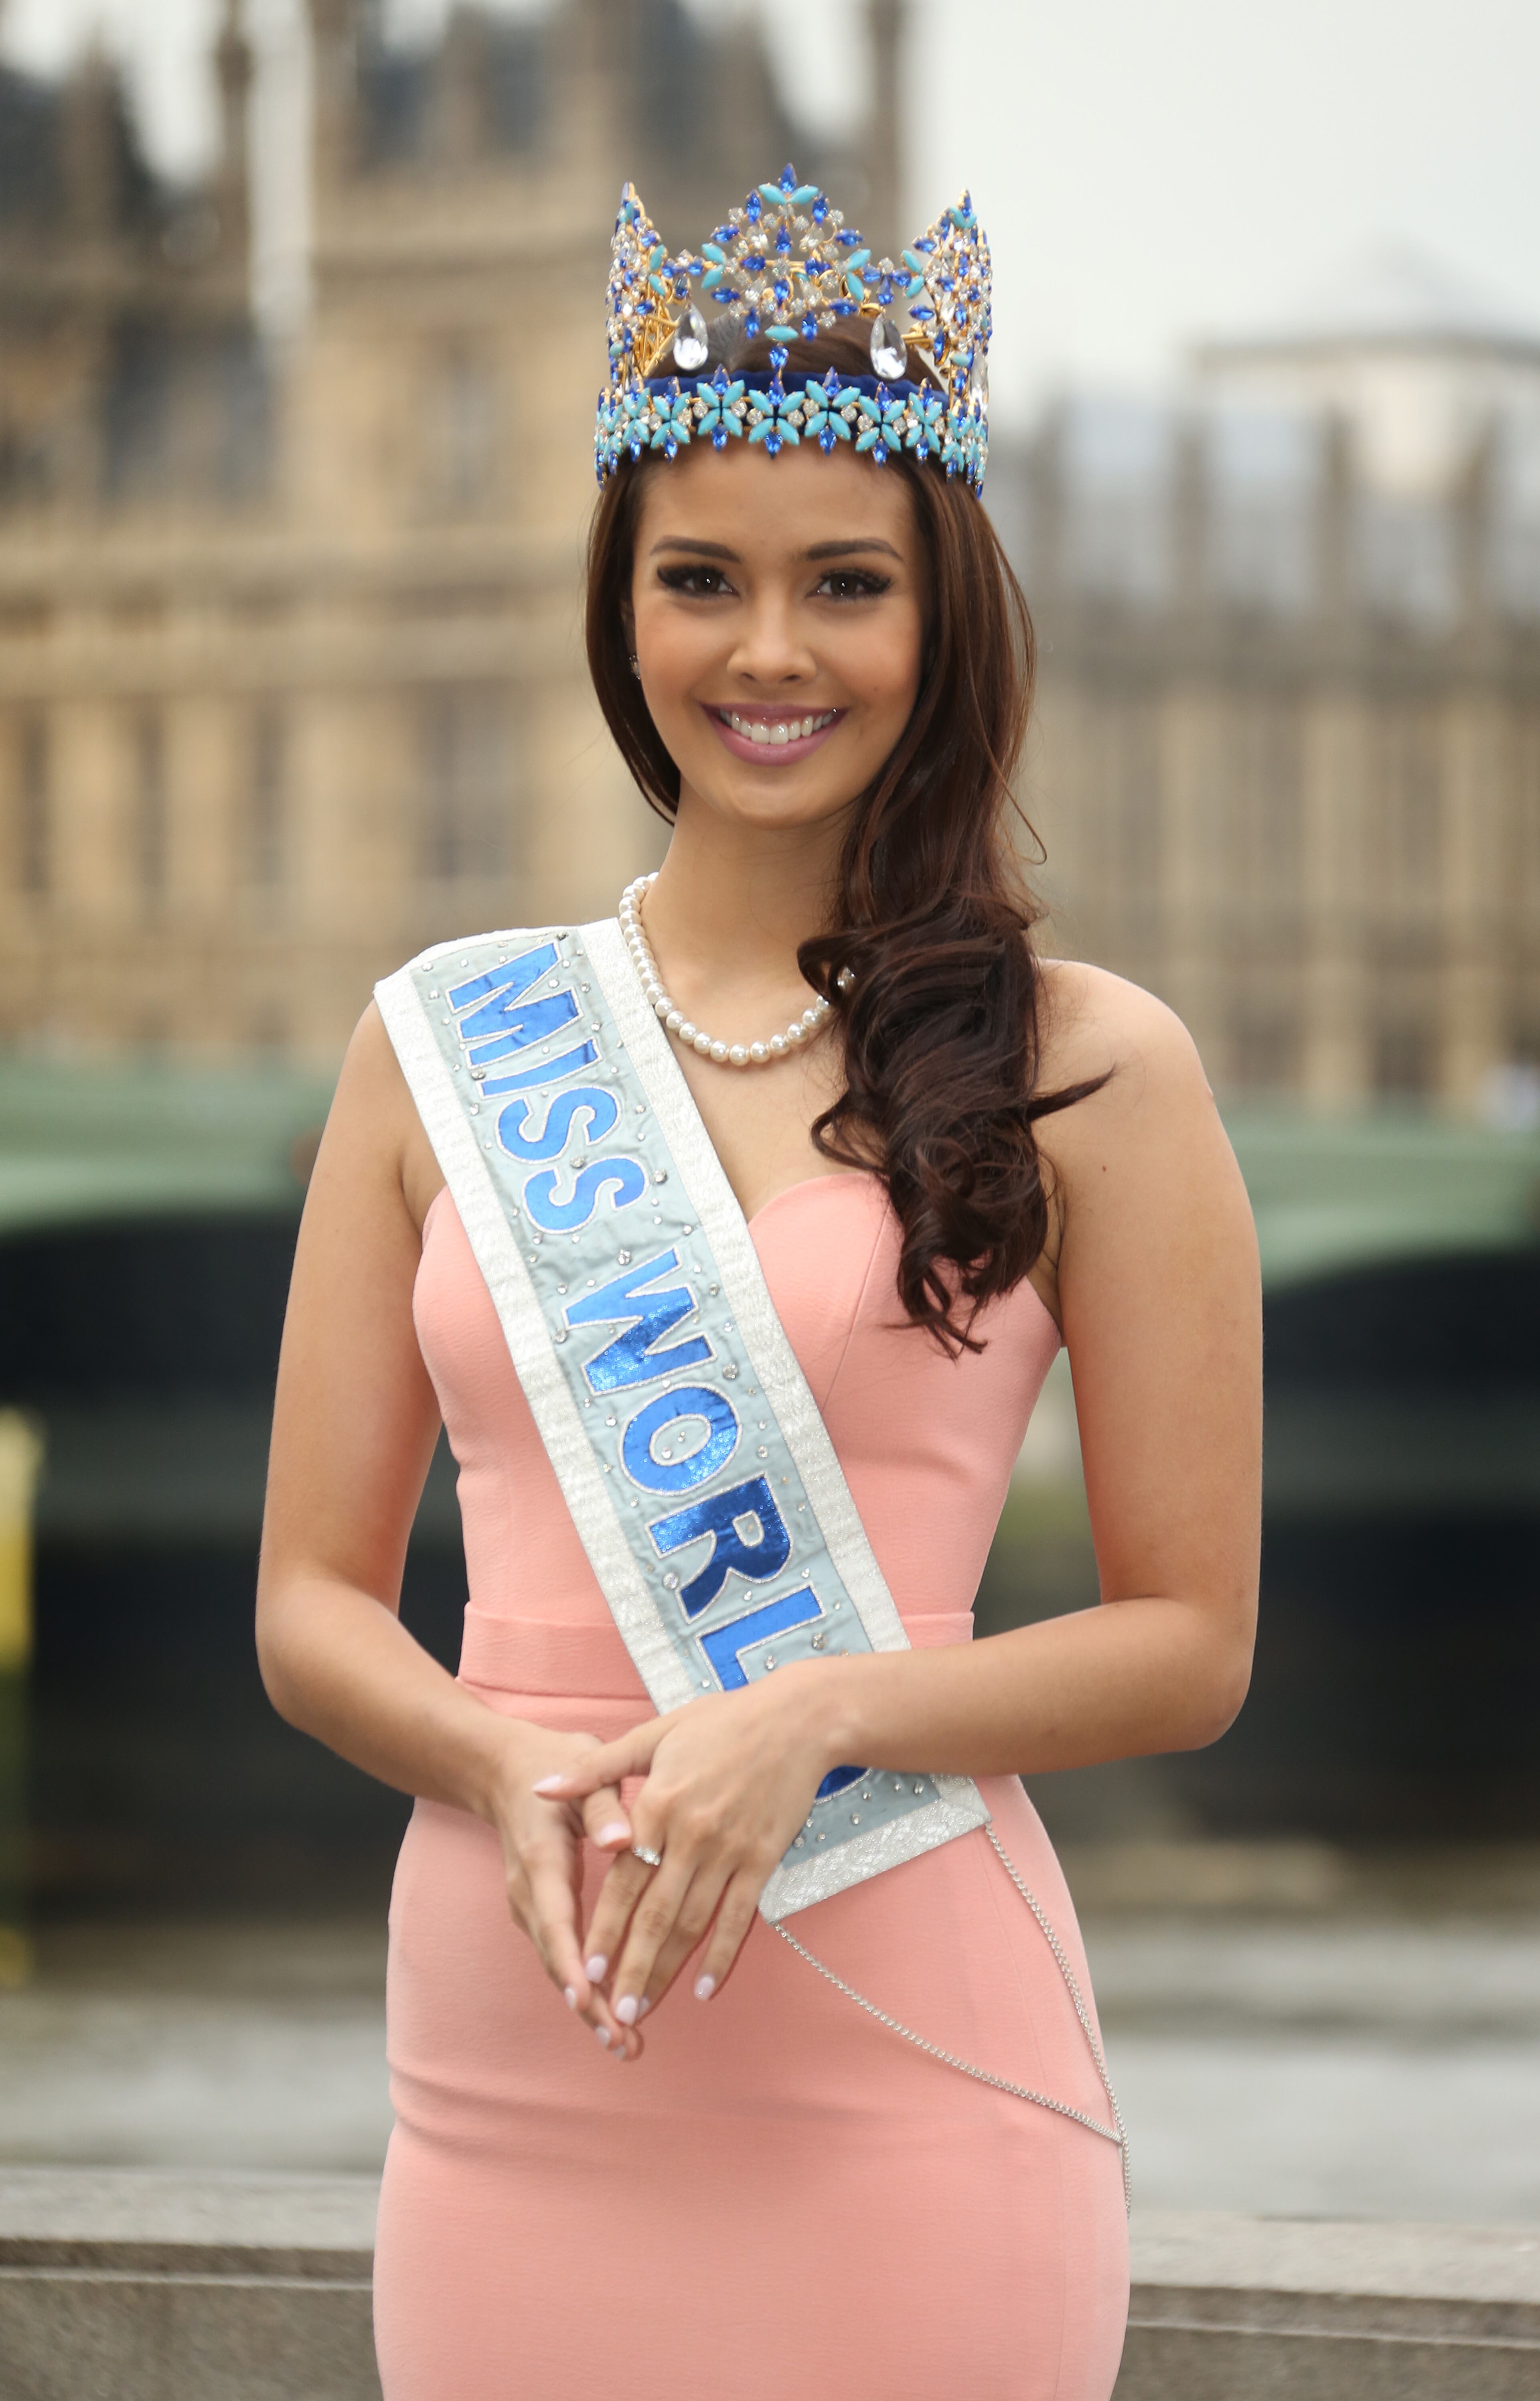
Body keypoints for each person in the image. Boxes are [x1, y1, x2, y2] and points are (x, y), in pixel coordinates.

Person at [256, 171, 1260, 2401]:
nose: (769, 653)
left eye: (846, 588)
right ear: (624, 608)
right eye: (701, 581)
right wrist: (492, 1766)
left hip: (906, 2056)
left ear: (943, 619)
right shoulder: (438, 1040)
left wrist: (818, 1705)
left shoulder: (1092, 1062)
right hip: (518, 2063)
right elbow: (313, 1602)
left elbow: (1190, 1645)